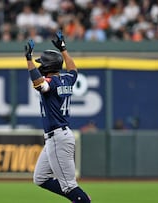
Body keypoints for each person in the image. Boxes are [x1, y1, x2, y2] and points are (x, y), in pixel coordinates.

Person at [24, 30, 91, 203]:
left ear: (47, 67)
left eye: (41, 64)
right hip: (58, 136)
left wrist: (29, 61)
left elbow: (39, 84)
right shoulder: (67, 79)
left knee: (69, 186)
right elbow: (73, 69)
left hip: (58, 138)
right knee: (40, 178)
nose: (39, 65)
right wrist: (63, 49)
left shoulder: (51, 83)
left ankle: (82, 199)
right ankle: (77, 196)